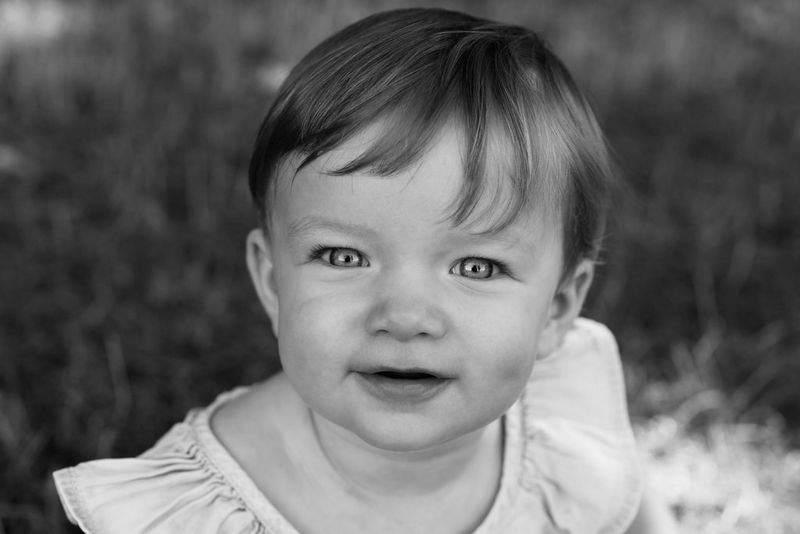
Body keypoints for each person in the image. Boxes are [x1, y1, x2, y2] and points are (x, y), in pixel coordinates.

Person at [53, 8, 676, 533]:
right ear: (272, 282)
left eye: (478, 265)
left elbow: (629, 505)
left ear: (559, 311)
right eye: (344, 257)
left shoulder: (560, 436)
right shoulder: (200, 509)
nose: (404, 316)